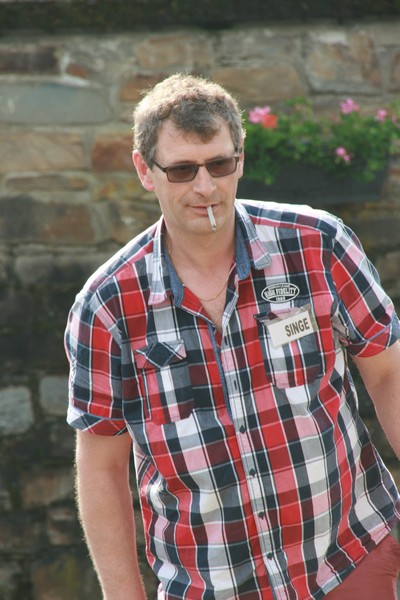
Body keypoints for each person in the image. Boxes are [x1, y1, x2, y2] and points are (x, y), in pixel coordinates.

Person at [65, 73, 400, 600]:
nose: (205, 187)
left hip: (347, 558)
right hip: (209, 584)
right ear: (145, 171)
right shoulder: (107, 305)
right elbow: (102, 466)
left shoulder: (317, 244)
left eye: (219, 164)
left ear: (240, 160)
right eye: (182, 170)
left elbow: (388, 376)